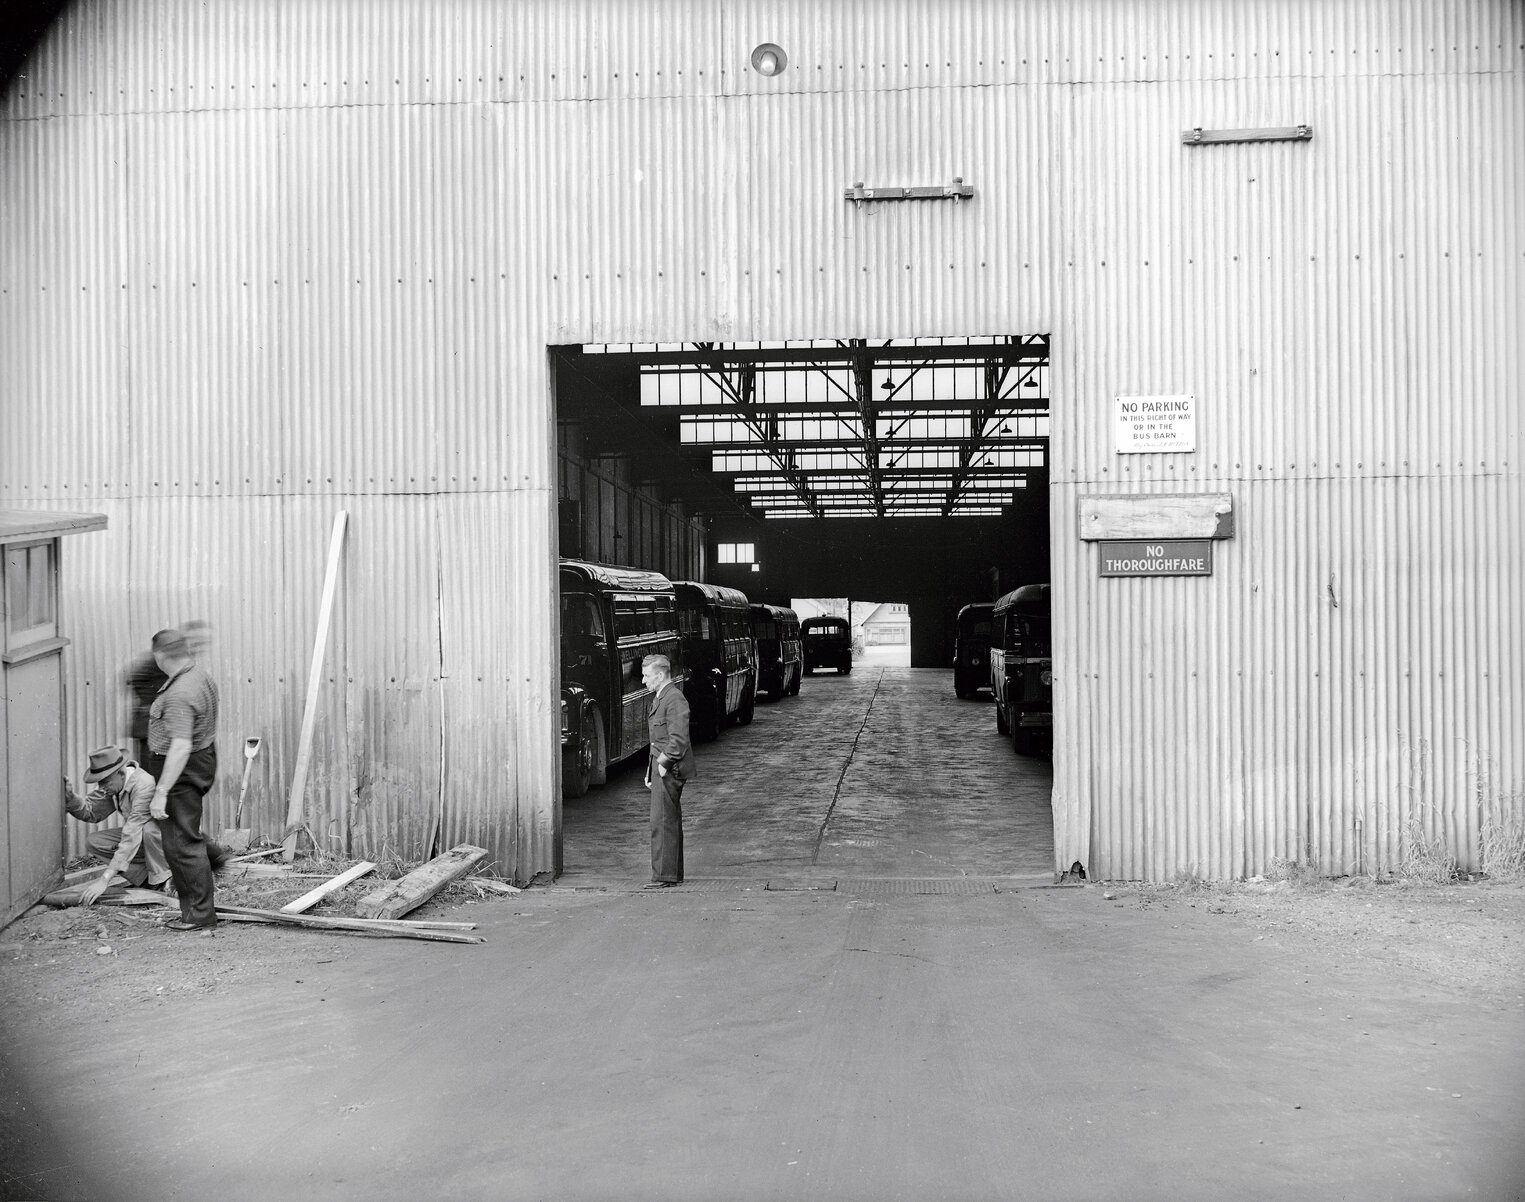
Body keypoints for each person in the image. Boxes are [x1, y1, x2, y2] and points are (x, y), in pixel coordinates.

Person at [144, 627, 229, 931]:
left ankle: (198, 914)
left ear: (159, 655)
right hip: (197, 760)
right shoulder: (198, 675)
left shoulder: (181, 692)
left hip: (181, 770)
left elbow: (180, 746)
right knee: (184, 834)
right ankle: (199, 904)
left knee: (180, 843)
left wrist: (161, 791)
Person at [63, 745, 173, 905]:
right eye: (99, 782)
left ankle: (168, 880)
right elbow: (91, 811)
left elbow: (131, 836)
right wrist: (70, 797)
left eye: (105, 782)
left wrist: (105, 879)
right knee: (95, 841)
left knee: (148, 829)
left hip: (171, 843)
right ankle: (147, 881)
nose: (101, 787)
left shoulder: (143, 785)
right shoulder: (113, 785)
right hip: (144, 840)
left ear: (121, 773)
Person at [641, 654, 694, 889]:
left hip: (670, 768)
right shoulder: (663, 697)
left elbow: (678, 739)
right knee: (666, 820)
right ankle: (670, 873)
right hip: (663, 766)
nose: (644, 680)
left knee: (662, 822)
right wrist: (651, 769)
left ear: (660, 675)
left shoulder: (673, 699)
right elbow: (658, 740)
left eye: (647, 676)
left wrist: (662, 765)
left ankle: (664, 876)